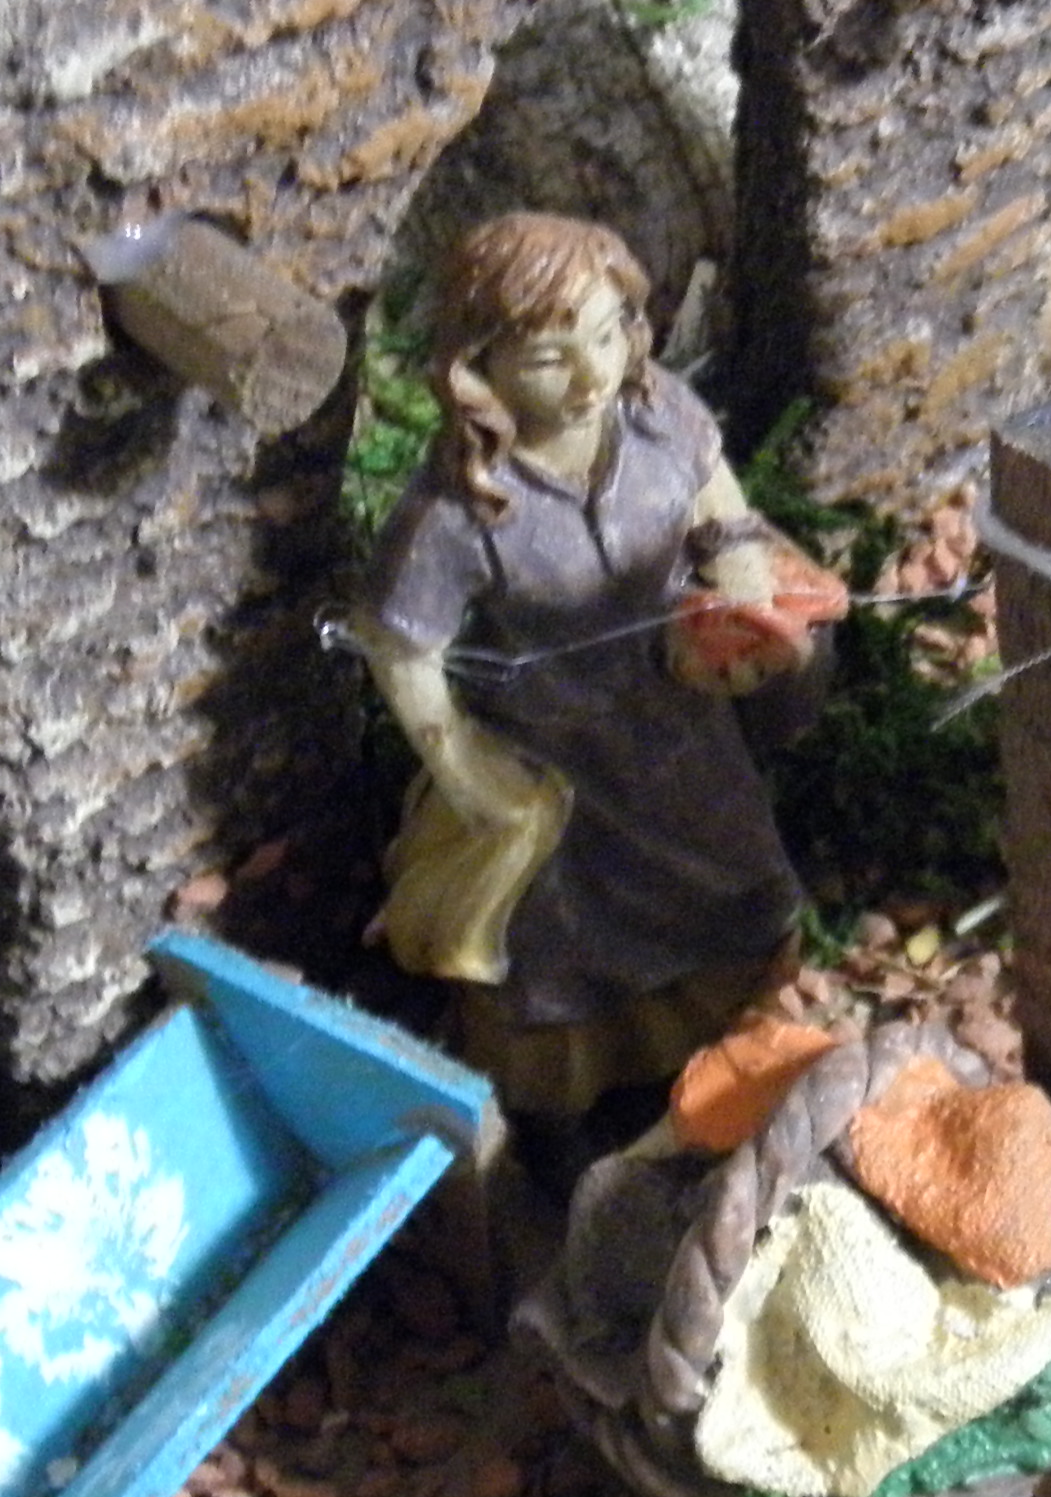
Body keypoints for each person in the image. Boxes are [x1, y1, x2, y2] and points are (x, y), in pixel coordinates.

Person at [353, 213, 837, 1123]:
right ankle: (574, 1106)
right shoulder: (459, 509)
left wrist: (739, 577)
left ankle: (743, 1047)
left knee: (734, 879)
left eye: (608, 335)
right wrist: (463, 768)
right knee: (561, 950)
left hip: (678, 716)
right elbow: (401, 647)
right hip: (557, 756)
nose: (590, 377)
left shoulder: (659, 418)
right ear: (477, 365)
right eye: (548, 357)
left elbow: (719, 504)